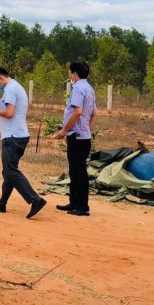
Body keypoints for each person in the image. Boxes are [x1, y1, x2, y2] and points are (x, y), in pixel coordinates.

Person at [0, 67, 47, 219]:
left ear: (0, 78)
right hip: (17, 135)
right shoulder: (15, 87)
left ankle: (35, 200)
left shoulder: (10, 89)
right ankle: (2, 203)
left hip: (13, 136)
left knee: (11, 171)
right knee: (8, 172)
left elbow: (9, 113)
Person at [53, 61, 98, 216]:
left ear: (74, 74)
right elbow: (95, 114)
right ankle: (74, 202)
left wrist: (64, 130)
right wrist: (88, 130)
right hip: (83, 136)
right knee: (75, 170)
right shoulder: (89, 88)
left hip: (76, 137)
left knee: (78, 172)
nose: (69, 74)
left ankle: (82, 206)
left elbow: (77, 112)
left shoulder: (78, 88)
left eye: (69, 72)